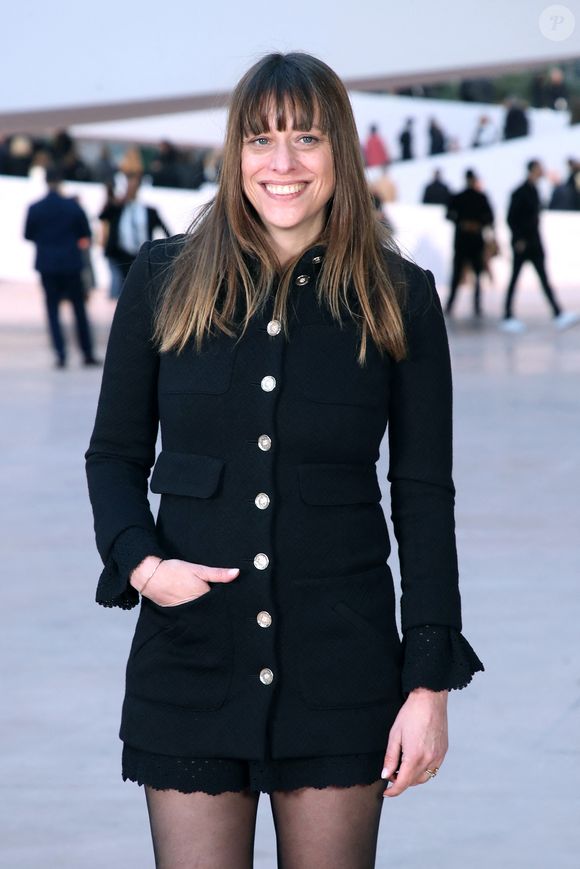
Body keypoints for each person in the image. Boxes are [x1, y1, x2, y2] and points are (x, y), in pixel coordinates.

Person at [85, 52, 483, 869]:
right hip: (191, 660)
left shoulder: (398, 297)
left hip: (342, 668)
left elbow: (422, 496)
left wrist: (429, 684)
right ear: (235, 154)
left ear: (340, 151)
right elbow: (114, 456)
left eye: (306, 139)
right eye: (261, 140)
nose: (283, 163)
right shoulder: (161, 279)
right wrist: (142, 563)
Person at [24, 166, 99, 368]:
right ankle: (87, 352)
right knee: (79, 310)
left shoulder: (36, 207)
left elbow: (28, 234)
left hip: (48, 265)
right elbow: (85, 233)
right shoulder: (72, 207)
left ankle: (61, 354)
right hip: (71, 264)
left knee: (52, 311)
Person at [500, 160, 579, 333]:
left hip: (534, 244)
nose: (541, 172)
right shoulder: (520, 192)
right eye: (539, 169)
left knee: (543, 280)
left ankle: (558, 313)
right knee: (515, 280)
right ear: (532, 170)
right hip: (523, 245)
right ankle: (507, 315)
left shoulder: (534, 191)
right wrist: (518, 239)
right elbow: (511, 218)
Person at [99, 165, 171, 280]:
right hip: (120, 256)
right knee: (117, 288)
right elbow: (102, 216)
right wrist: (116, 200)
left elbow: (167, 232)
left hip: (141, 256)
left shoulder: (149, 211)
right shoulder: (118, 209)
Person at [445, 169, 494, 318]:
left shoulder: (478, 197)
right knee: (458, 274)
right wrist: (464, 224)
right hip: (465, 242)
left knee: (476, 275)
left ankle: (474, 305)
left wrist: (474, 224)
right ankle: (452, 304)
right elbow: (449, 215)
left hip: (472, 242)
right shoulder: (463, 197)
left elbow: (489, 218)